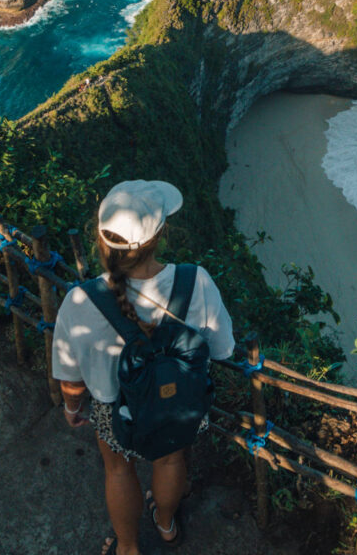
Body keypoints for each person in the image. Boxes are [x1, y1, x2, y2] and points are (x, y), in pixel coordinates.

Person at [52, 180, 235, 555]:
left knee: (118, 470)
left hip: (113, 408)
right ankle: (166, 525)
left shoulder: (80, 300)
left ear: (102, 241)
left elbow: (70, 375)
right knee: (170, 459)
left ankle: (128, 547)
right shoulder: (194, 280)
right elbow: (222, 349)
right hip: (179, 404)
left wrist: (73, 408)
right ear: (161, 234)